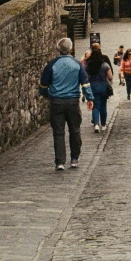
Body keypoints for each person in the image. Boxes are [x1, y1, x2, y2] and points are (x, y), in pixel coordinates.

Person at [40, 37, 93, 171]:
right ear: (71, 49)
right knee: (74, 130)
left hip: (56, 101)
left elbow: (44, 83)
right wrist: (89, 98)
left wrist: (46, 94)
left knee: (58, 132)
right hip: (72, 101)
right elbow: (85, 82)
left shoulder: (52, 65)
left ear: (59, 49)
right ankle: (74, 158)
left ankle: (60, 161)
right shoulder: (77, 64)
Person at [85, 46, 113, 132]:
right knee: (103, 106)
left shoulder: (89, 65)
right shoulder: (105, 65)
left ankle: (96, 124)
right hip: (103, 86)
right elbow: (110, 77)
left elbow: (85, 77)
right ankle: (103, 125)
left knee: (95, 106)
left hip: (93, 87)